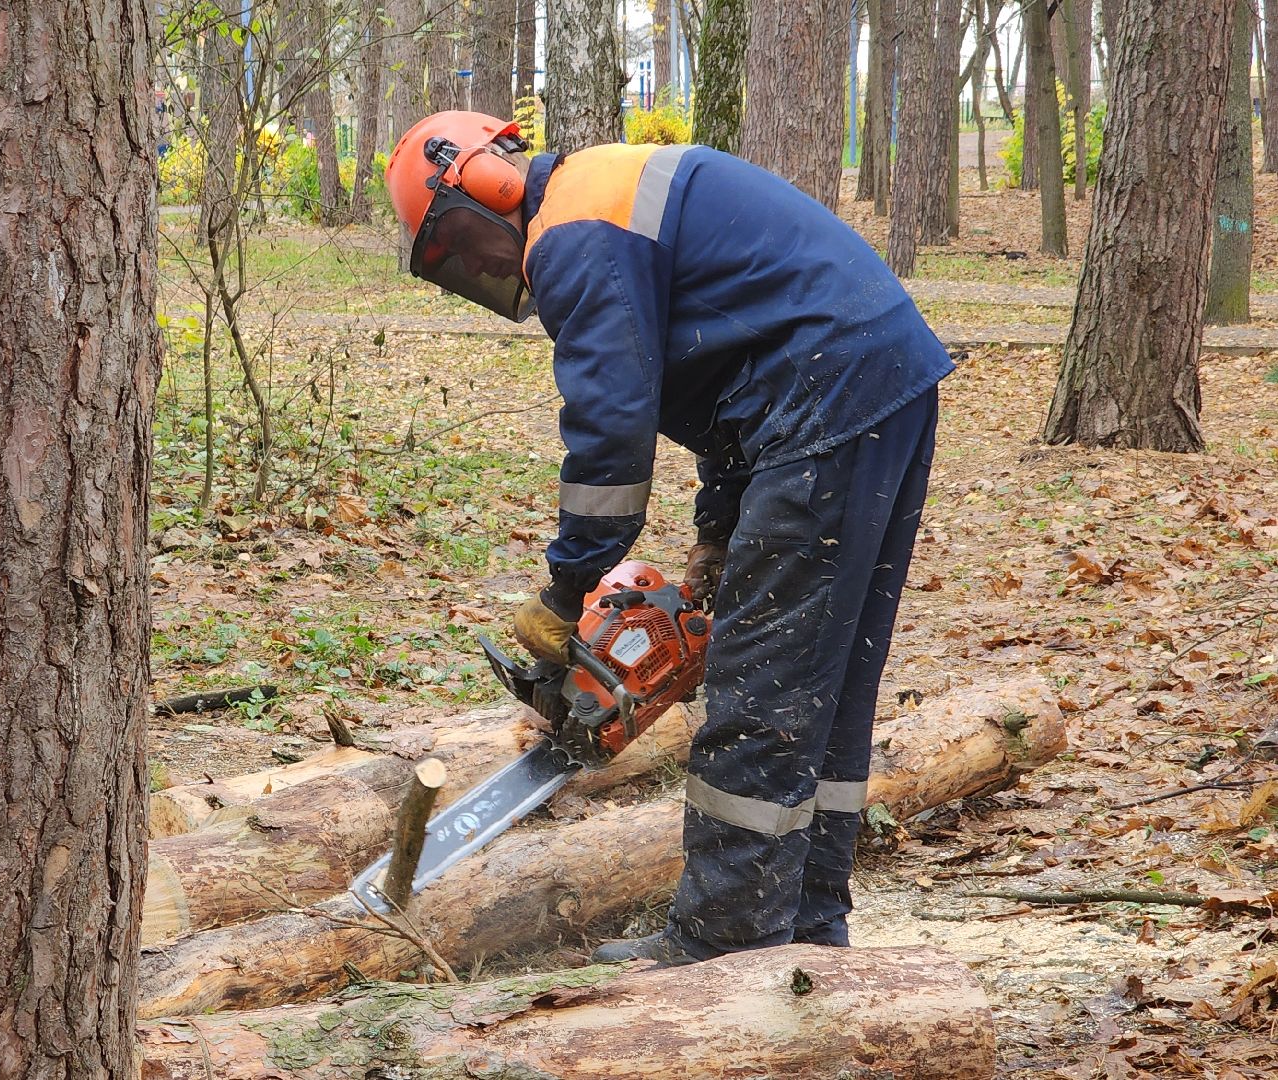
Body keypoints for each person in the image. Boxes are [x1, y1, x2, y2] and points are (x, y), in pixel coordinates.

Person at [384, 111, 952, 965]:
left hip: (827, 402)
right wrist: (718, 536)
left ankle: (724, 941)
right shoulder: (604, 200)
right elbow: (734, 378)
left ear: (486, 183)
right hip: (879, 386)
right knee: (822, 684)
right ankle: (807, 924)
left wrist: (568, 595)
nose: (479, 266)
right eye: (454, 264)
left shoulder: (575, 228)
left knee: (759, 685)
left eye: (460, 241)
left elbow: (610, 438)